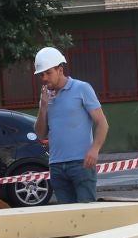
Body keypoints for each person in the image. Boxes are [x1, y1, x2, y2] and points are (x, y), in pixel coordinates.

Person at [34, 46, 109, 204]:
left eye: (48, 73)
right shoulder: (46, 97)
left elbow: (102, 123)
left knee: (86, 215)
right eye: (42, 74)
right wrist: (43, 107)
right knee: (67, 218)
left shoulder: (82, 88)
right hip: (56, 165)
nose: (44, 78)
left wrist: (94, 150)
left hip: (81, 163)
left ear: (60, 69)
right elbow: (40, 134)